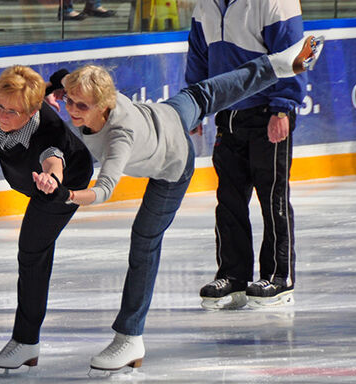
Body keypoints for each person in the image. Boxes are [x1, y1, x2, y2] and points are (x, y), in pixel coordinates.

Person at [38, 35, 323, 371]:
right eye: (69, 101)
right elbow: (61, 81)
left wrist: (68, 195)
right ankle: (282, 63)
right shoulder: (95, 97)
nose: (71, 110)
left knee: (144, 239)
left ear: (104, 105)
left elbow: (103, 191)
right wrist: (51, 90)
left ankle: (129, 337)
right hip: (169, 112)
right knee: (208, 91)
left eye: (80, 105)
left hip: (173, 162)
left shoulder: (119, 139)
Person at [185, 0, 309, 310]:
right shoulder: (205, 5)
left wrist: (283, 107)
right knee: (229, 199)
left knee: (272, 198)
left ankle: (280, 277)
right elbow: (199, 55)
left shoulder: (274, 2)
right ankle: (233, 276)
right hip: (227, 113)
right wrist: (194, 105)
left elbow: (293, 53)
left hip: (268, 111)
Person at [0, 66, 94, 373]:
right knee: (36, 247)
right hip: (26, 178)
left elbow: (53, 159)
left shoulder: (49, 133)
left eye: (13, 111)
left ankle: (26, 342)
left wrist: (51, 180)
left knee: (32, 251)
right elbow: (11, 99)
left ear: (33, 111)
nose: (3, 116)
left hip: (62, 184)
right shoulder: (2, 100)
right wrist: (47, 87)